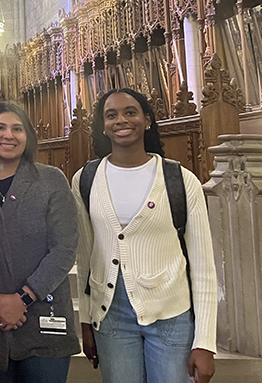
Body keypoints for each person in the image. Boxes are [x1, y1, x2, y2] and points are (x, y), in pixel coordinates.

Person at [72, 88, 217, 383]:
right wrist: (86, 322)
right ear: (103, 125)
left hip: (171, 315)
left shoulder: (180, 179)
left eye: (130, 112)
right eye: (111, 115)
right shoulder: (85, 179)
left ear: (147, 120)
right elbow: (86, 257)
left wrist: (205, 342)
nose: (121, 120)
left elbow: (203, 266)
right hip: (110, 314)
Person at [0, 102, 79, 382]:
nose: (8, 135)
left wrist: (23, 297)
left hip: (43, 317)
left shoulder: (50, 180)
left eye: (17, 129)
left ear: (28, 137)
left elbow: (64, 249)